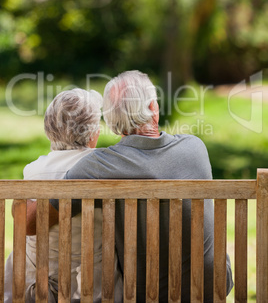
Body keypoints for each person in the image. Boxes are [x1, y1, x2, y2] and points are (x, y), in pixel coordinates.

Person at [28, 71, 234, 302]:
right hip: (211, 286)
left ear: (111, 122)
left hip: (149, 294)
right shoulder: (195, 148)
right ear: (153, 108)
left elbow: (32, 223)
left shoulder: (99, 167)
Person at [4, 88, 123, 303]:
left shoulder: (34, 171)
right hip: (96, 290)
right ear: (93, 134)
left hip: (36, 290)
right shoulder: (106, 168)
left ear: (49, 129)